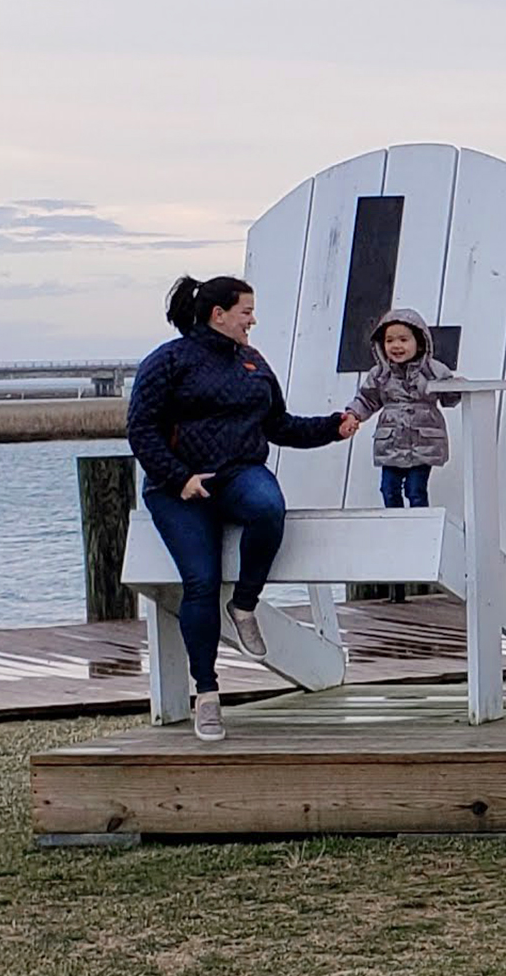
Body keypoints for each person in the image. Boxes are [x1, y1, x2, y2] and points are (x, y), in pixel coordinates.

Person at [126, 274, 352, 742]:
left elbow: (280, 425)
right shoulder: (167, 362)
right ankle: (207, 696)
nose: (253, 319)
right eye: (247, 311)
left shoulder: (252, 362)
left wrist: (333, 427)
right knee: (201, 582)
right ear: (219, 314)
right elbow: (142, 431)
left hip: (239, 475)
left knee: (269, 508)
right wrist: (179, 478)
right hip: (180, 487)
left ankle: (244, 604)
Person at [344, 307, 460, 509]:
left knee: (415, 490)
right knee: (388, 489)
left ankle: (420, 527)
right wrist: (353, 414)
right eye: (390, 340)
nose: (396, 345)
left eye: (403, 340)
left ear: (420, 342)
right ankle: (394, 524)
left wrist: (458, 388)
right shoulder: (380, 374)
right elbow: (367, 399)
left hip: (423, 440)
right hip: (391, 442)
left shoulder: (433, 370)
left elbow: (449, 396)